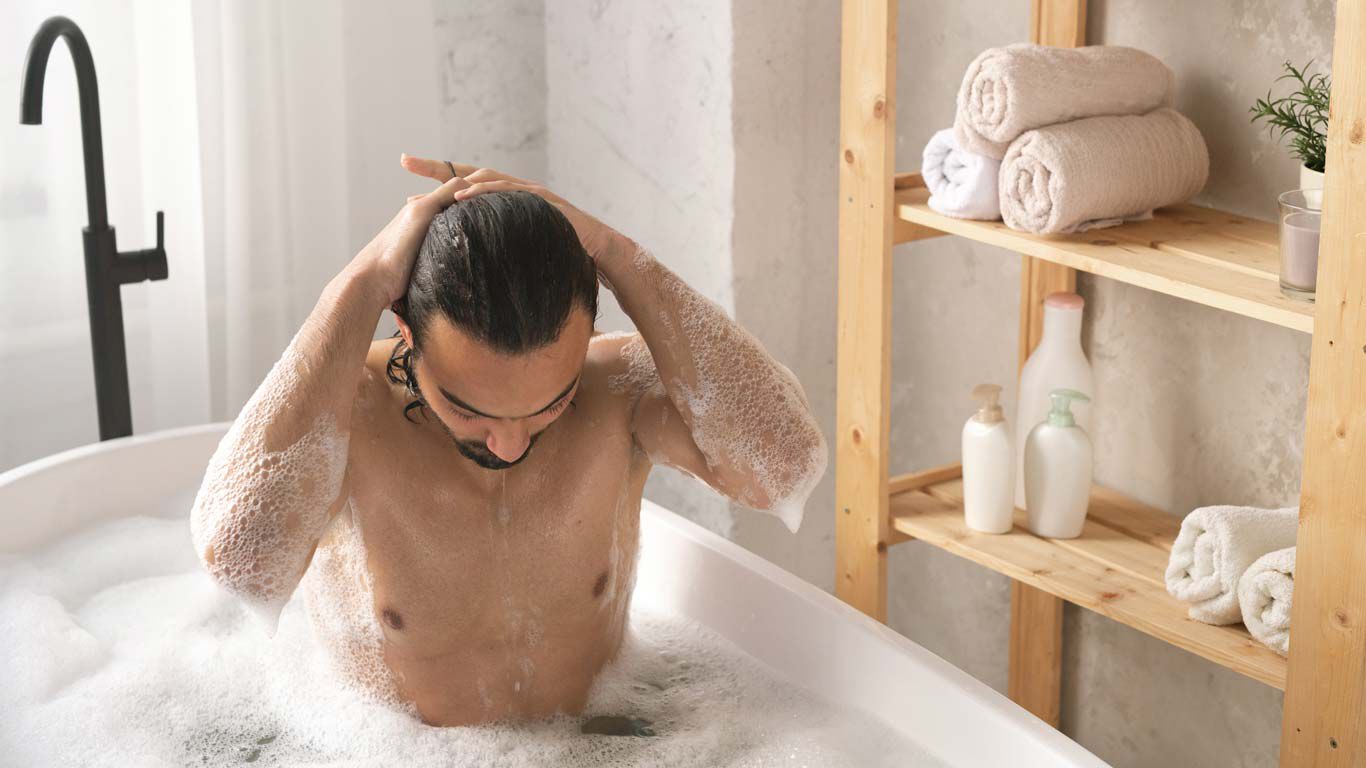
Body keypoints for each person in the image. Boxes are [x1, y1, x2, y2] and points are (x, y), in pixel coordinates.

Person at [189, 155, 827, 727]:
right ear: (404, 331)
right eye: (470, 410)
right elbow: (244, 563)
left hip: (599, 742)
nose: (511, 445)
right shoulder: (345, 414)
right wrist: (359, 287)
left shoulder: (617, 393)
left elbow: (783, 468)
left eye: (554, 402)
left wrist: (619, 255)